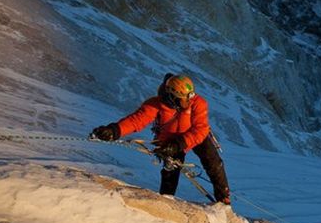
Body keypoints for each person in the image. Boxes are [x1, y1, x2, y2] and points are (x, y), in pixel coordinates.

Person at [91, 73, 230, 204]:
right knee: (170, 172)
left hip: (193, 136)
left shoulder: (197, 102)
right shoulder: (156, 104)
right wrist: (114, 131)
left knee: (214, 163)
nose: (188, 102)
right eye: (183, 99)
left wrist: (180, 143)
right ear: (172, 96)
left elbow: (201, 129)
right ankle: (166, 201)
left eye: (189, 97)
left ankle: (223, 199)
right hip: (170, 141)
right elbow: (136, 121)